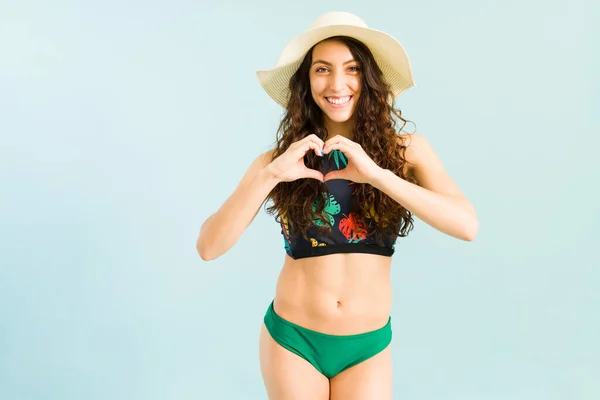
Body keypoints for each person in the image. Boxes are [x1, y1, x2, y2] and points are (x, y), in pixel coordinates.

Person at [197, 11, 478, 400]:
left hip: (367, 347)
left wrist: (379, 176)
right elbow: (209, 247)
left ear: (369, 79)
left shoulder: (406, 152)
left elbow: (467, 225)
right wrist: (270, 176)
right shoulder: (279, 162)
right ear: (306, 81)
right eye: (322, 70)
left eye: (352, 69)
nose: (337, 83)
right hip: (294, 340)